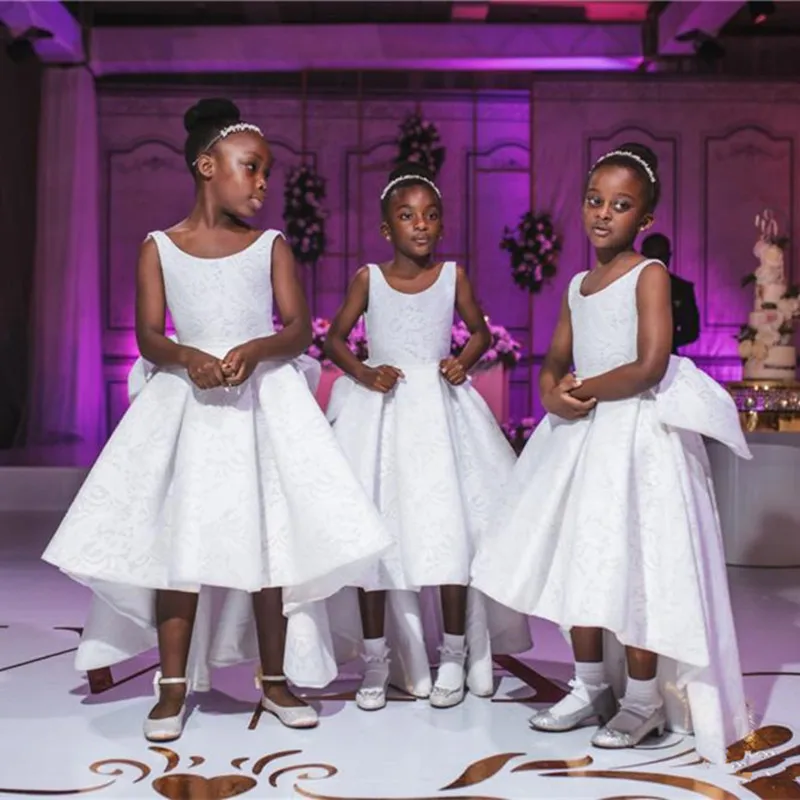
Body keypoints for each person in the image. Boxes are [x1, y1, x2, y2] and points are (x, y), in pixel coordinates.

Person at [42, 98, 389, 741]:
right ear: (208, 166)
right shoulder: (160, 248)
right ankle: (172, 685)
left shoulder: (269, 246)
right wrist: (187, 357)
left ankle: (274, 678)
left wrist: (256, 348)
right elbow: (150, 336)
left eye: (267, 172)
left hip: (261, 407)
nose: (263, 182)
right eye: (251, 167)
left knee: (269, 541)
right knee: (182, 543)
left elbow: (295, 330)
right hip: (190, 408)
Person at [471, 144, 751, 762]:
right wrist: (552, 392)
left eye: (620, 206)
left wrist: (584, 389)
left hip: (634, 437)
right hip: (581, 437)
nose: (603, 213)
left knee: (633, 565)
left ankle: (643, 700)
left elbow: (650, 364)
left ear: (644, 219)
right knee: (583, 558)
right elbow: (554, 359)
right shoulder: (578, 285)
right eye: (594, 200)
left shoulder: (649, 274)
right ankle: (590, 684)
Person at [323, 163, 531, 711]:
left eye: (431, 215)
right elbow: (335, 339)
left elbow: (480, 331)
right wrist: (365, 371)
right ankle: (376, 658)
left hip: (439, 414)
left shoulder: (452, 277)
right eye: (407, 216)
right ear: (386, 228)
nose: (420, 224)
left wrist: (463, 361)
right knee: (377, 535)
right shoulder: (368, 278)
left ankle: (455, 653)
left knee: (449, 531)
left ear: (441, 225)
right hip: (382, 415)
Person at [640, 233, 700, 354]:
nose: (656, 263)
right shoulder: (628, 285)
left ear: (669, 257)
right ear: (642, 257)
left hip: (668, 356)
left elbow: (691, 331)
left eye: (661, 257)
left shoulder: (682, 289)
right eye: (651, 258)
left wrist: (663, 341)